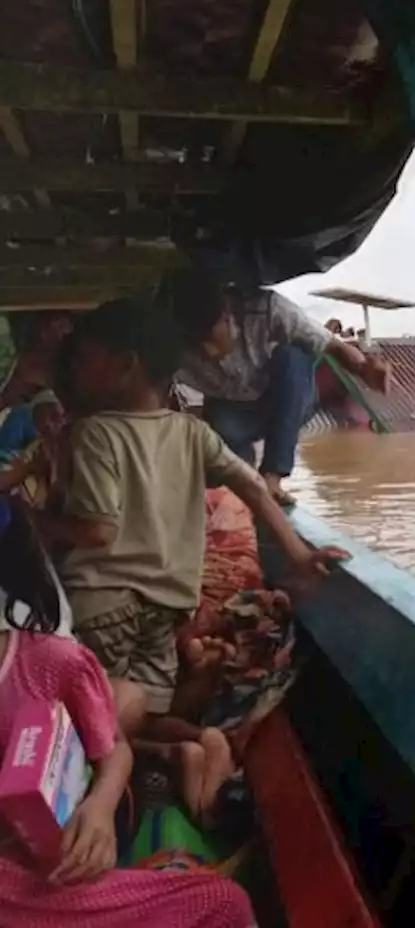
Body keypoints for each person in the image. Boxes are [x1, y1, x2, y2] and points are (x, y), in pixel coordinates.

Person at [30, 299, 347, 817]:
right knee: (145, 709)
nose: (76, 371)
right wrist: (297, 553)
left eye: (85, 357)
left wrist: (36, 520)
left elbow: (96, 531)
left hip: (101, 601)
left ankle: (161, 761)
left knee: (97, 718)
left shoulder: (94, 433)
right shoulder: (192, 432)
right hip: (169, 605)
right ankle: (198, 743)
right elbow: (254, 486)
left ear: (125, 364)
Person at [0, 498, 256, 927]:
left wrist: (99, 809)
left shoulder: (48, 663)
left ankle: (175, 758)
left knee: (221, 904)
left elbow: (113, 750)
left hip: (42, 878)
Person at [170, 283, 392, 507]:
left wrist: (364, 368)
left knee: (293, 356)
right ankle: (243, 479)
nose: (209, 353)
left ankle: (273, 476)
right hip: (234, 416)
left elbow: (334, 347)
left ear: (227, 314)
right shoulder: (172, 347)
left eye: (211, 337)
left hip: (290, 402)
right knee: (231, 478)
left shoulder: (269, 309)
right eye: (197, 345)